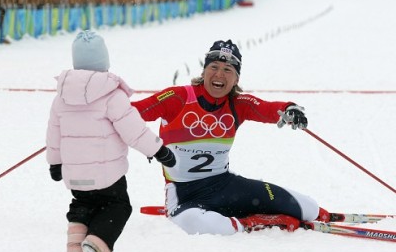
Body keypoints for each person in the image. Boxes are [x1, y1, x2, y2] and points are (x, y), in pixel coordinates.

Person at [131, 38, 330, 235]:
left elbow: (268, 109)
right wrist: (148, 143)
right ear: (204, 71)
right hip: (184, 196)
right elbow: (129, 114)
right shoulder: (178, 98)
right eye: (214, 67)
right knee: (198, 224)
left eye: (228, 70)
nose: (219, 74)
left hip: (225, 186)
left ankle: (290, 213)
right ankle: (251, 222)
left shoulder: (237, 103)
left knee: (309, 208)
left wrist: (288, 109)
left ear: (236, 79)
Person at [46, 30, 176, 252]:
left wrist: (55, 163)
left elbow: (53, 134)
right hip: (108, 176)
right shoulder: (111, 95)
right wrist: (158, 151)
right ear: (104, 61)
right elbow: (133, 130)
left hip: (75, 176)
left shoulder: (61, 97)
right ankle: (98, 243)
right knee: (118, 206)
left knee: (82, 206)